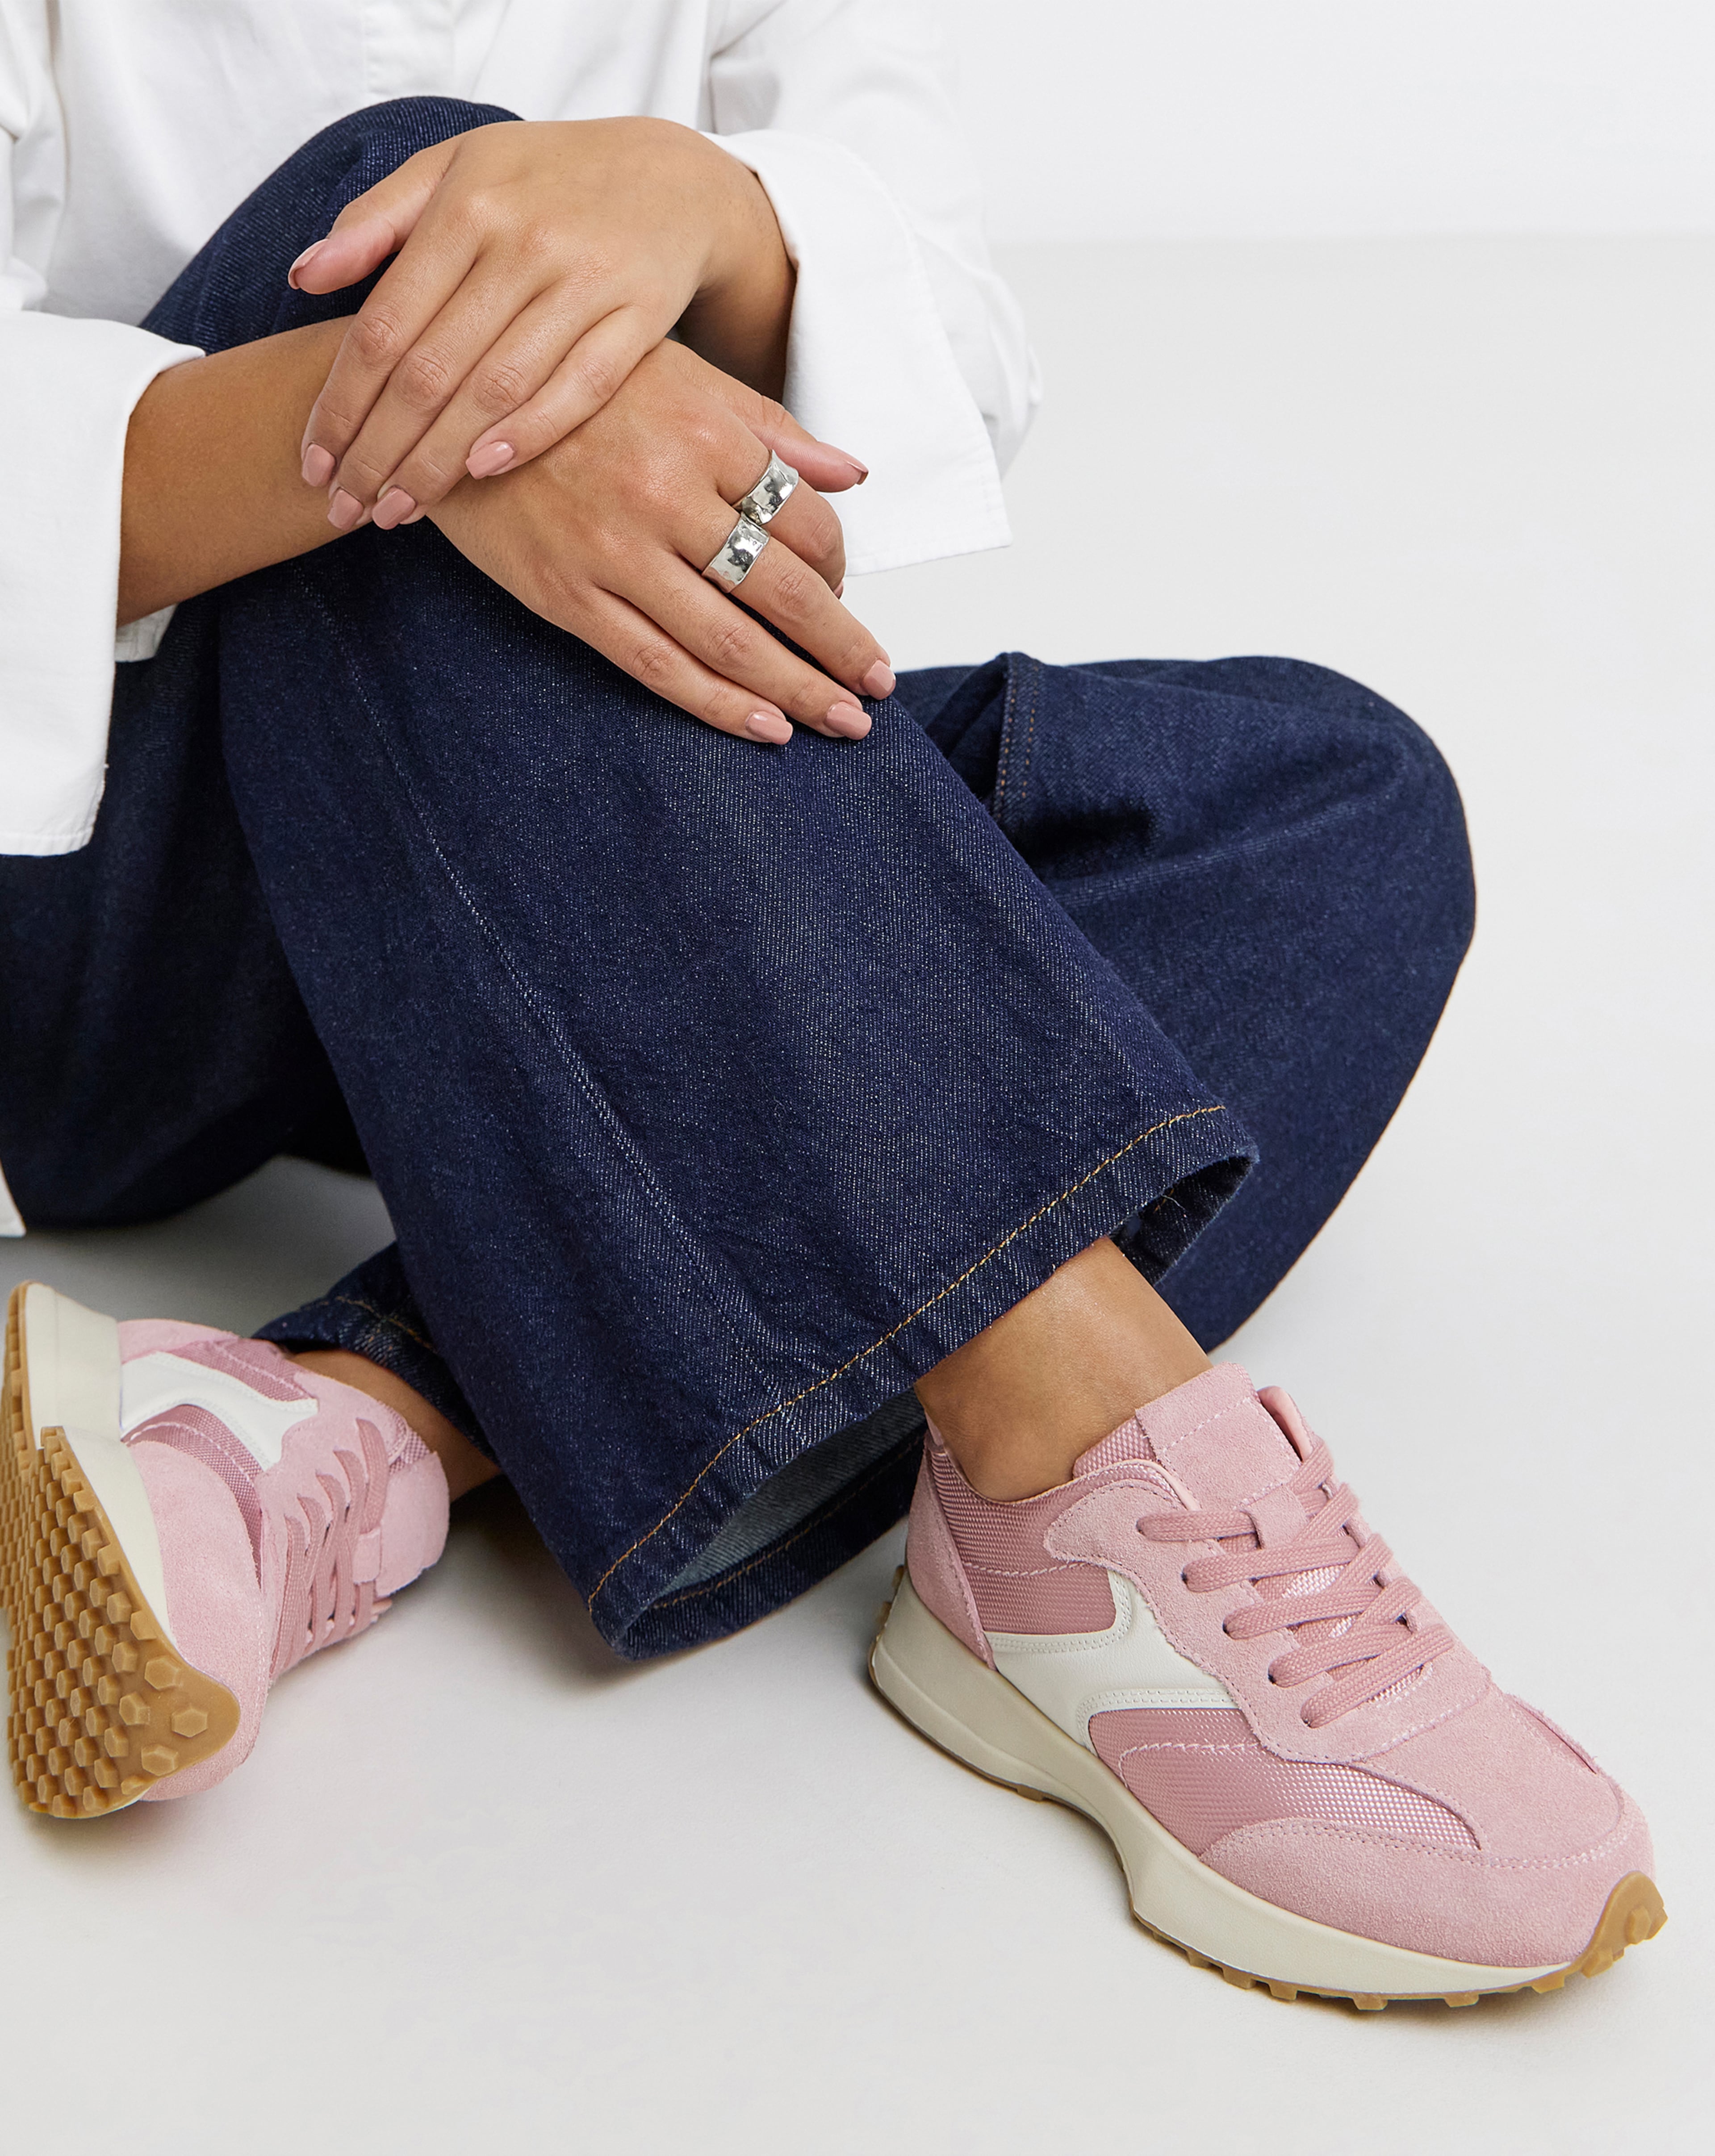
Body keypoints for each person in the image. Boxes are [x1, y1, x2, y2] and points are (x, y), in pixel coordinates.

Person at [0, 2, 1663, 2009]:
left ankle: (351, 1418)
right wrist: (406, 406)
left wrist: (713, 221)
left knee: (1327, 805)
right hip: (109, 921)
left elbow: (956, 340)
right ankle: (1073, 1456)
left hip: (559, 874)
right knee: (410, 195)